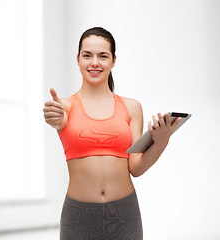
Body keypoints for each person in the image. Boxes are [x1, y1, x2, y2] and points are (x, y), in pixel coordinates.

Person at [43, 27, 180, 240]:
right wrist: (55, 119)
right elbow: (57, 119)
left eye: (103, 56)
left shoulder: (132, 107)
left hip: (124, 214)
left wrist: (162, 141)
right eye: (87, 55)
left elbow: (135, 167)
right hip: (79, 216)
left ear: (113, 61)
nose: (94, 63)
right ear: (77, 59)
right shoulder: (65, 106)